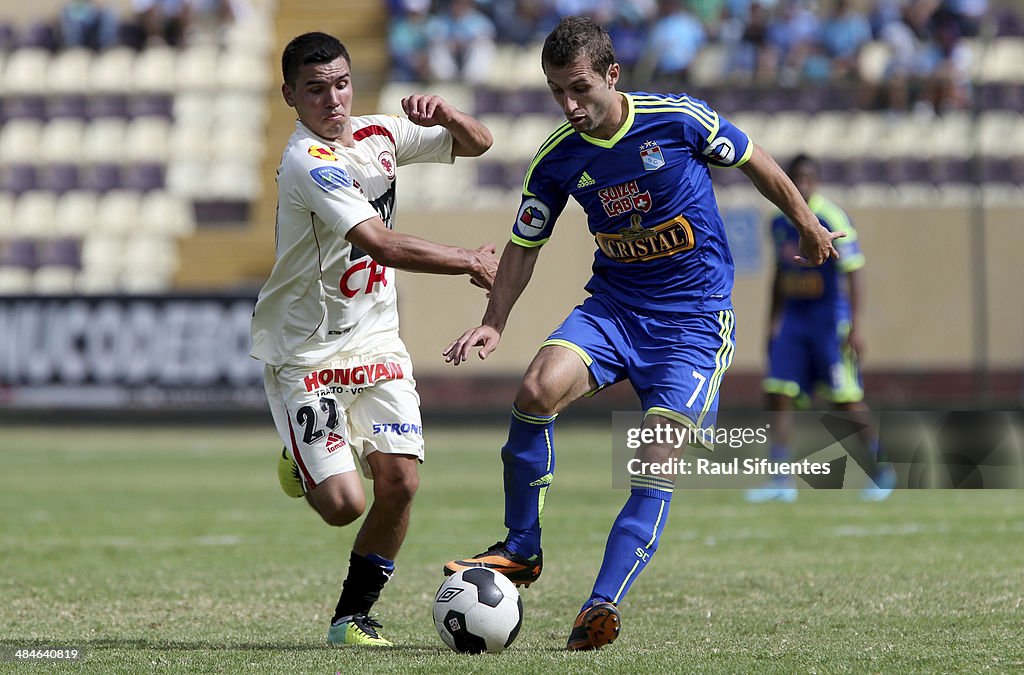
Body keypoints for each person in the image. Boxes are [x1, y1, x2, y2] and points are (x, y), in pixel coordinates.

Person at [440, 16, 840, 651]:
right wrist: (494, 323)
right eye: (555, 92)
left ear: (612, 75)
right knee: (535, 391)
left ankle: (601, 605)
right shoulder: (557, 158)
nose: (569, 106)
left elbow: (757, 160)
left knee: (655, 457)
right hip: (615, 308)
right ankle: (521, 548)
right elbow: (524, 244)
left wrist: (807, 222)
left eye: (579, 89)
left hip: (694, 325)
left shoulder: (678, 119)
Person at [251, 31, 497, 647]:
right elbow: (378, 244)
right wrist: (468, 258)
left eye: (340, 84)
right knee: (342, 506)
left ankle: (350, 619)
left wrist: (446, 114)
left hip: (376, 338)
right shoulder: (308, 160)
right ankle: (299, 458)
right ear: (290, 96)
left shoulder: (379, 133)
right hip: (306, 348)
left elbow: (479, 144)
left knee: (402, 483)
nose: (332, 101)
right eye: (315, 90)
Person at [746, 154, 896, 503]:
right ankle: (780, 478)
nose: (803, 184)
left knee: (845, 399)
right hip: (794, 320)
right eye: (796, 177)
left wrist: (856, 327)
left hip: (828, 321)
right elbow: (780, 274)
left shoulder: (831, 217)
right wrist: (772, 322)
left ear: (817, 180)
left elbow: (854, 271)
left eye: (808, 177)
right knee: (777, 392)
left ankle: (880, 469)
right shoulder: (779, 222)